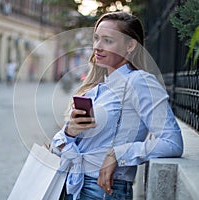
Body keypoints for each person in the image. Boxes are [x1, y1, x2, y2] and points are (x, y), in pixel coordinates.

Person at [52, 11, 183, 200]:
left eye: (108, 40)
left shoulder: (140, 82)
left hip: (104, 190)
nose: (97, 46)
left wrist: (118, 154)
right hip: (73, 185)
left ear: (130, 45)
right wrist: (70, 132)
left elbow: (172, 143)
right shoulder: (97, 89)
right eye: (96, 38)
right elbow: (65, 144)